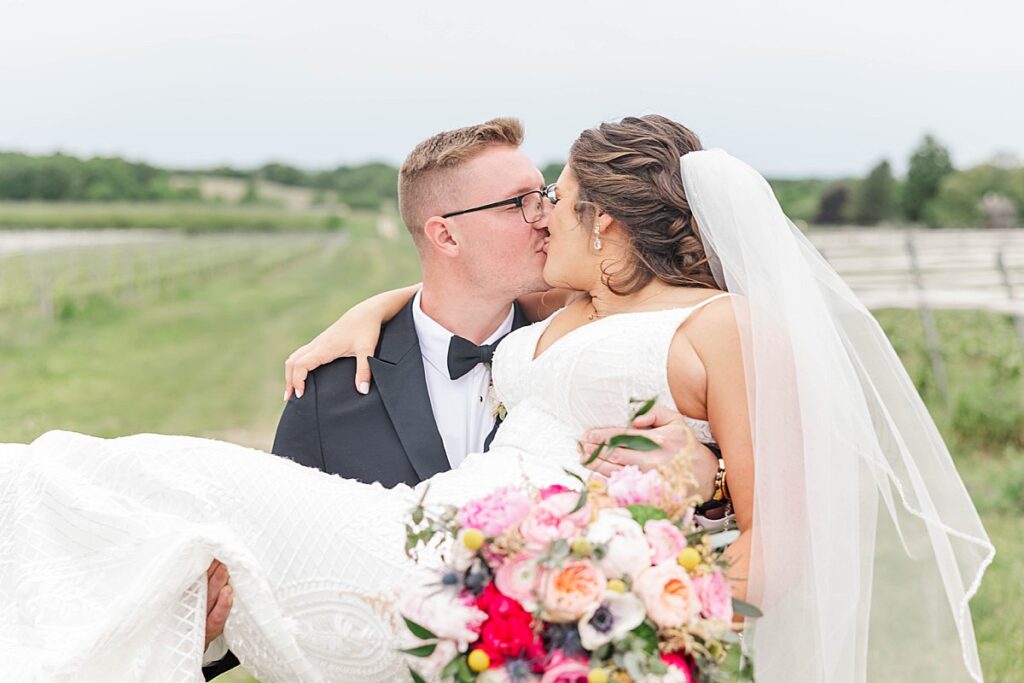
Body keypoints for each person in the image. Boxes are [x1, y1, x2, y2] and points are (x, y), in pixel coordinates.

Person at [1, 116, 992, 683]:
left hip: (477, 573)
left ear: (606, 224)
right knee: (139, 481)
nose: (539, 216)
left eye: (552, 200)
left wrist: (670, 626)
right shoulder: (563, 305)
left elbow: (773, 522)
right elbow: (446, 287)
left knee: (175, 480)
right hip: (430, 528)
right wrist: (369, 308)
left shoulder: (722, 327)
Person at [203, 118, 722, 678]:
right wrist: (204, 634)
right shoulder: (330, 392)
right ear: (445, 236)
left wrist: (711, 478)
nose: (546, 215)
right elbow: (278, 571)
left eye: (545, 195)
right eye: (519, 203)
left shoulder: (595, 342)